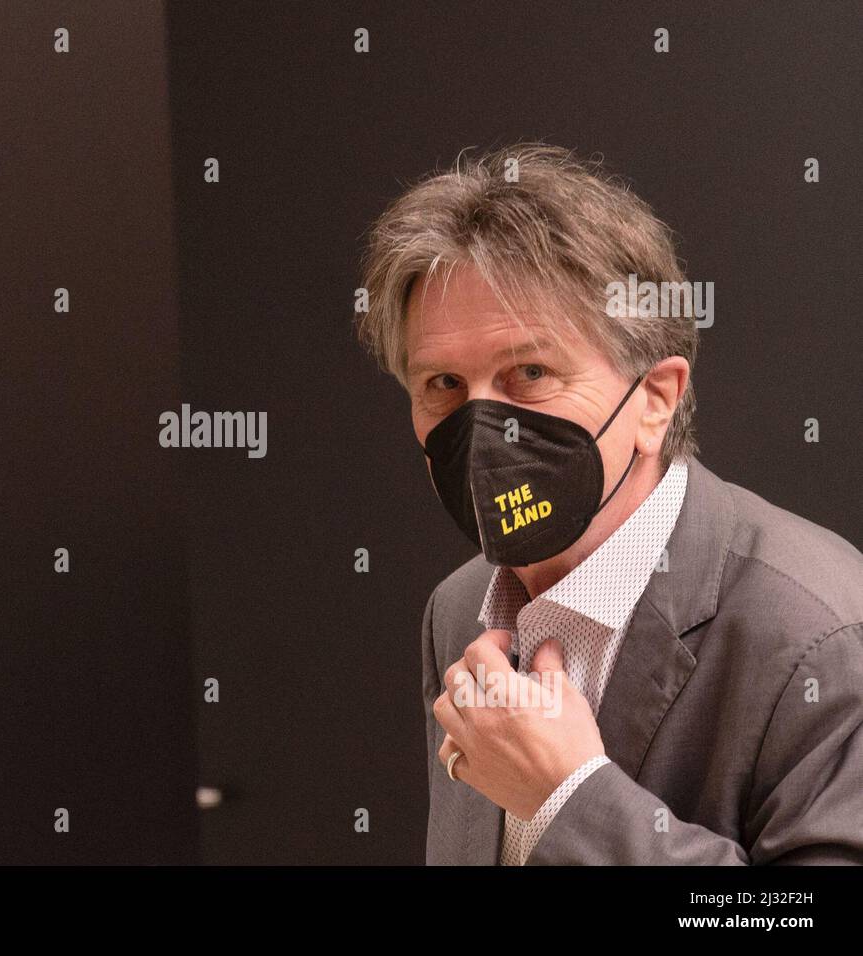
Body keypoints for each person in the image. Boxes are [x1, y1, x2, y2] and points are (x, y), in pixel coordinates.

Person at [355, 143, 863, 864]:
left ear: (655, 399)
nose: (480, 427)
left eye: (530, 372)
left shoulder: (819, 633)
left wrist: (569, 800)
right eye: (441, 384)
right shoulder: (458, 609)